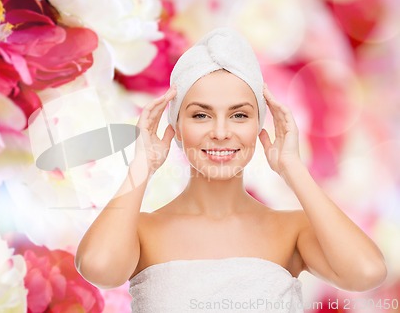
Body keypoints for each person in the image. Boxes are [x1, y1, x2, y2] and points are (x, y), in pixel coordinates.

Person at [74, 28, 387, 312]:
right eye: (201, 116)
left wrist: (293, 168)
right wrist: (142, 164)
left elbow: (366, 272)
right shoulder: (142, 232)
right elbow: (99, 267)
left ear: (259, 125)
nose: (221, 132)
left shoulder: (293, 231)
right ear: (176, 125)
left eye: (239, 115)